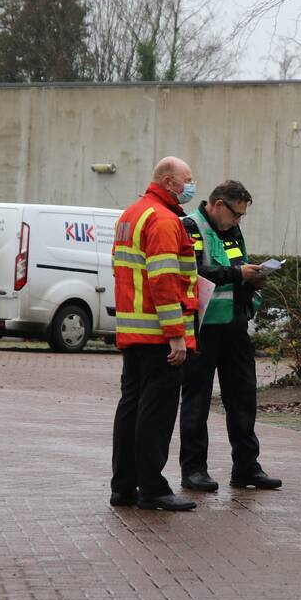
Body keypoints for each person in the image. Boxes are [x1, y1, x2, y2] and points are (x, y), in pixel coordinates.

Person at [178, 180, 282, 492]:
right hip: (204, 328)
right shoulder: (191, 228)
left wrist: (253, 280)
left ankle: (247, 467)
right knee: (196, 400)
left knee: (243, 398)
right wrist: (238, 275)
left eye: (242, 217)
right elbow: (193, 272)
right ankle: (194, 470)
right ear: (219, 205)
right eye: (236, 214)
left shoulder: (232, 232)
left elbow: (238, 268)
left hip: (235, 326)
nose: (238, 222)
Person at [110, 156, 200, 512]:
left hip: (134, 331)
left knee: (130, 408)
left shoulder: (132, 214)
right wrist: (176, 334)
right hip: (158, 334)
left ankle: (124, 485)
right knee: (156, 414)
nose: (192, 186)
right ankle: (152, 487)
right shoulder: (163, 220)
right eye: (187, 179)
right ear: (167, 181)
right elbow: (163, 281)